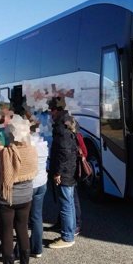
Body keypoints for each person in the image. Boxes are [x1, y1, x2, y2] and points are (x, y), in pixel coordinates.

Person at [0, 114, 38, 264]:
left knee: (7, 232)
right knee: (22, 230)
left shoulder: (3, 156)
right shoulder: (32, 151)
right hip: (26, 197)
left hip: (7, 198)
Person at [47, 98, 78, 249]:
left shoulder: (60, 127)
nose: (50, 113)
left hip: (64, 171)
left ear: (56, 110)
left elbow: (63, 152)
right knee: (69, 203)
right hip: (70, 169)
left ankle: (67, 237)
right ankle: (69, 232)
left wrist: (58, 172)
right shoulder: (69, 121)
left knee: (66, 203)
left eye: (51, 110)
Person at [29, 116, 49, 258]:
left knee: (22, 220)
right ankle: (37, 248)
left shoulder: (28, 146)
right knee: (37, 217)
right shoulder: (44, 143)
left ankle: (20, 250)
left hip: (30, 184)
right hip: (42, 182)